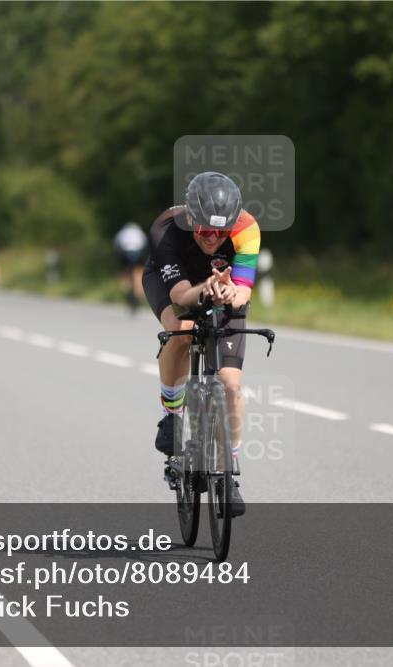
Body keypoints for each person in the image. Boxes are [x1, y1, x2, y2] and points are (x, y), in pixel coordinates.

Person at [141, 171, 260, 516]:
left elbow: (243, 291)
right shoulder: (165, 229)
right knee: (181, 330)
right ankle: (171, 413)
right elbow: (180, 295)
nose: (213, 238)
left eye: (221, 232)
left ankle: (228, 470)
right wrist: (206, 286)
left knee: (231, 386)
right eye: (205, 229)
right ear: (191, 217)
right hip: (176, 283)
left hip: (219, 287)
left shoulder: (247, 229)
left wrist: (227, 291)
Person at [113, 221, 148, 313]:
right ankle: (139, 290)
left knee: (124, 271)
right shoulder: (139, 232)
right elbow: (145, 244)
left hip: (125, 252)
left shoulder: (122, 232)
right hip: (138, 252)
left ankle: (126, 288)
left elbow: (116, 244)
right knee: (139, 272)